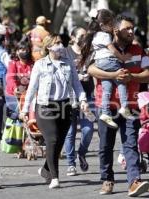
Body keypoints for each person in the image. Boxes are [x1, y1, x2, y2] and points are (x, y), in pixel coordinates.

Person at [88, 15, 149, 196]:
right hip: (106, 105)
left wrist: (131, 77)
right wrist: (113, 75)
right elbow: (90, 69)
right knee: (105, 145)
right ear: (117, 30)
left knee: (131, 144)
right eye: (127, 28)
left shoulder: (139, 51)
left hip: (130, 104)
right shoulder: (103, 45)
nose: (131, 32)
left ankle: (134, 181)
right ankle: (107, 179)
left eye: (133, 28)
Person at [21, 34, 89, 189]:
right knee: (52, 140)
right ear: (49, 46)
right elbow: (32, 89)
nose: (60, 45)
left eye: (61, 42)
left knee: (58, 143)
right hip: (45, 107)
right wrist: (25, 109)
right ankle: (55, 177)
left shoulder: (68, 63)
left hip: (65, 105)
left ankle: (45, 170)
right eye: (57, 43)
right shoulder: (40, 64)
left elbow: (76, 84)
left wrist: (83, 100)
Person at [80, 9, 132, 129]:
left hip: (100, 63)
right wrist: (122, 57)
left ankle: (105, 113)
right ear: (102, 25)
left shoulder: (95, 36)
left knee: (107, 88)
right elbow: (112, 50)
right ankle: (124, 107)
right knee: (121, 80)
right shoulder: (104, 35)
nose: (113, 26)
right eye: (111, 24)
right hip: (110, 61)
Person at [63, 27, 95, 176]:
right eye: (81, 35)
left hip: (87, 97)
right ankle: (71, 163)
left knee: (88, 131)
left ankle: (81, 153)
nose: (84, 38)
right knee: (69, 132)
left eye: (86, 35)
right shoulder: (65, 52)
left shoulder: (90, 52)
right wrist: (76, 77)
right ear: (73, 37)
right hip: (69, 98)